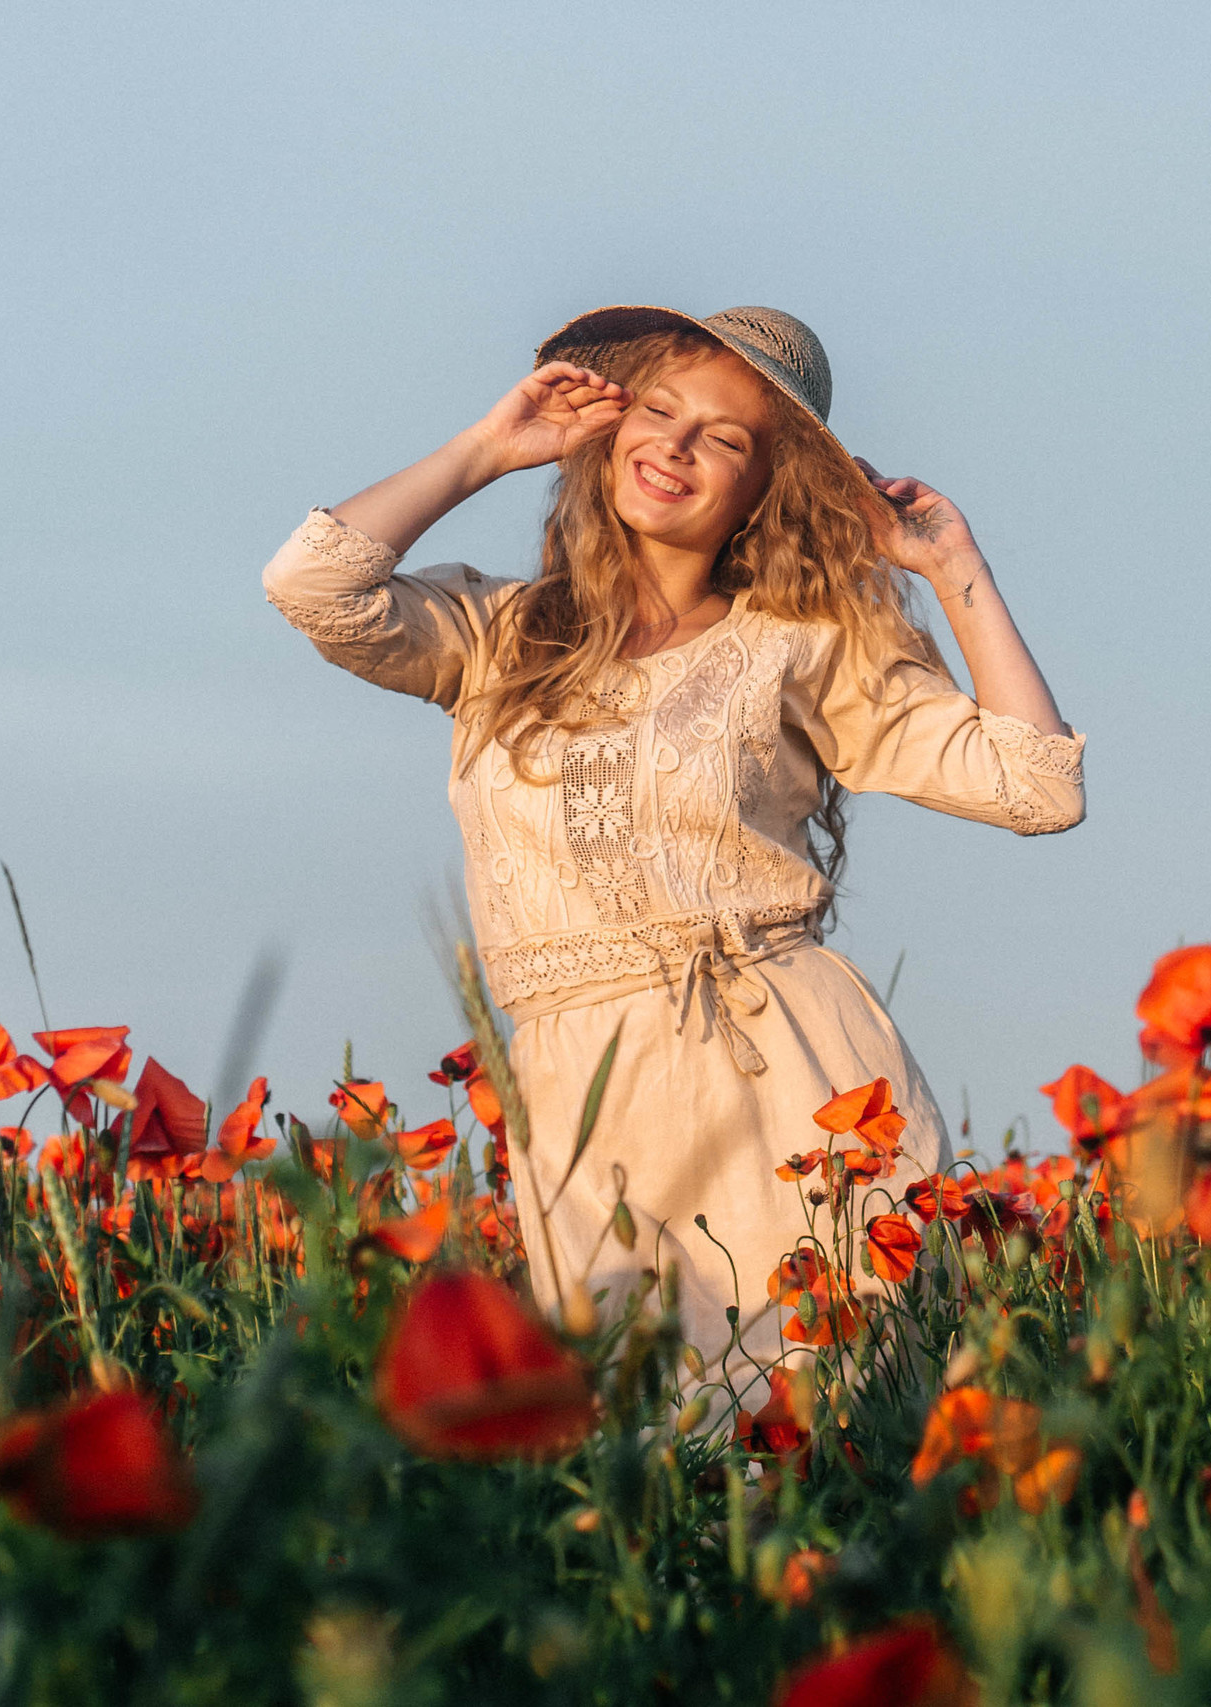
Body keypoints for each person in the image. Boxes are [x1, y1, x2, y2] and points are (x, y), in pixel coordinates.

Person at [260, 304, 1085, 1371]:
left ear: (762, 489)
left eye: (727, 438)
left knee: (806, 1427)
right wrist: (487, 449)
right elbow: (312, 586)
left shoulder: (804, 645)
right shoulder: (498, 636)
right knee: (643, 1458)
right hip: (575, 1088)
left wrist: (955, 570)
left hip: (782, 1069)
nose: (677, 447)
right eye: (658, 409)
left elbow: (1033, 785)